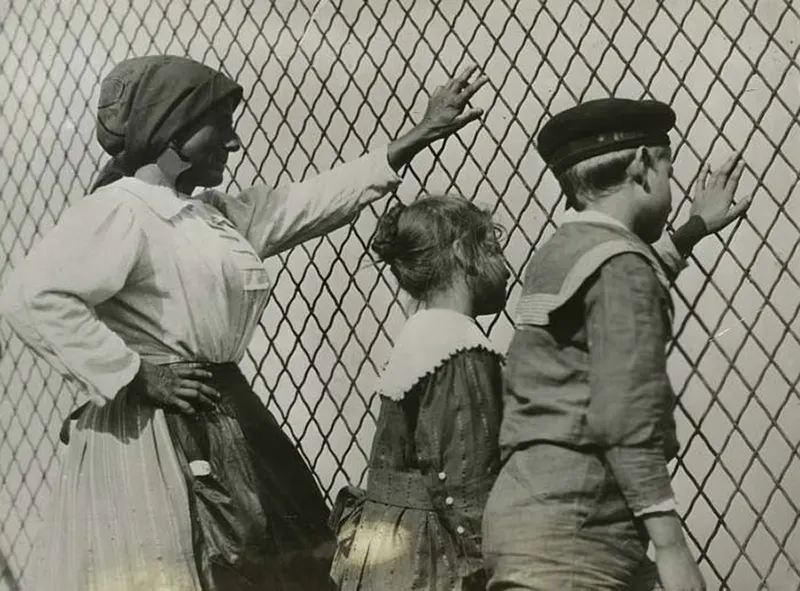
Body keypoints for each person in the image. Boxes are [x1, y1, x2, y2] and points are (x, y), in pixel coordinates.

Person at [0, 55, 488, 591]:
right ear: (171, 130)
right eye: (221, 126)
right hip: (155, 432)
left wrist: (417, 135)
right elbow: (31, 296)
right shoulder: (121, 210)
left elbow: (310, 200)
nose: (233, 143)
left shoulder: (212, 214)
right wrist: (136, 374)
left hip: (223, 415)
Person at [482, 98, 751, 591]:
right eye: (669, 167)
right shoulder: (623, 269)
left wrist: (689, 232)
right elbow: (625, 416)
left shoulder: (560, 252)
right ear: (644, 164)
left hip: (526, 521)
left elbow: (617, 283)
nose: (671, 186)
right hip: (580, 536)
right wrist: (672, 549)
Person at [329, 195, 510, 590]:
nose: (507, 269)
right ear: (464, 252)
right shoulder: (459, 345)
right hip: (430, 561)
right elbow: (465, 484)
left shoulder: (421, 333)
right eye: (495, 250)